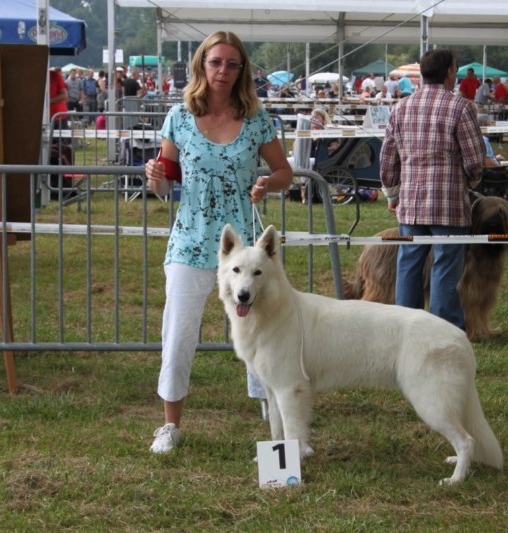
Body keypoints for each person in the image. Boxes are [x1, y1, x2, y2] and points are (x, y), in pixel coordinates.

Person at [144, 31, 293, 454]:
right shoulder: (178, 117)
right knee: (178, 332)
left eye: (232, 63)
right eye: (215, 62)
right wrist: (156, 180)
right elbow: (165, 181)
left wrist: (268, 182)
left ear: (242, 69)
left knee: (261, 329)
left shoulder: (257, 119)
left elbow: (285, 172)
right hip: (190, 243)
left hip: (243, 250)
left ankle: (273, 412)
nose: (223, 70)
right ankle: (170, 425)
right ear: (201, 65)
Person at [379, 49, 485, 331]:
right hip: (449, 203)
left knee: (409, 264)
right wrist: (470, 182)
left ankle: (405, 326)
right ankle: (442, 327)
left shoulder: (400, 108)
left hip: (411, 204)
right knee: (446, 265)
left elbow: (388, 158)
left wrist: (393, 194)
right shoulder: (461, 108)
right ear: (450, 72)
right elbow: (475, 160)